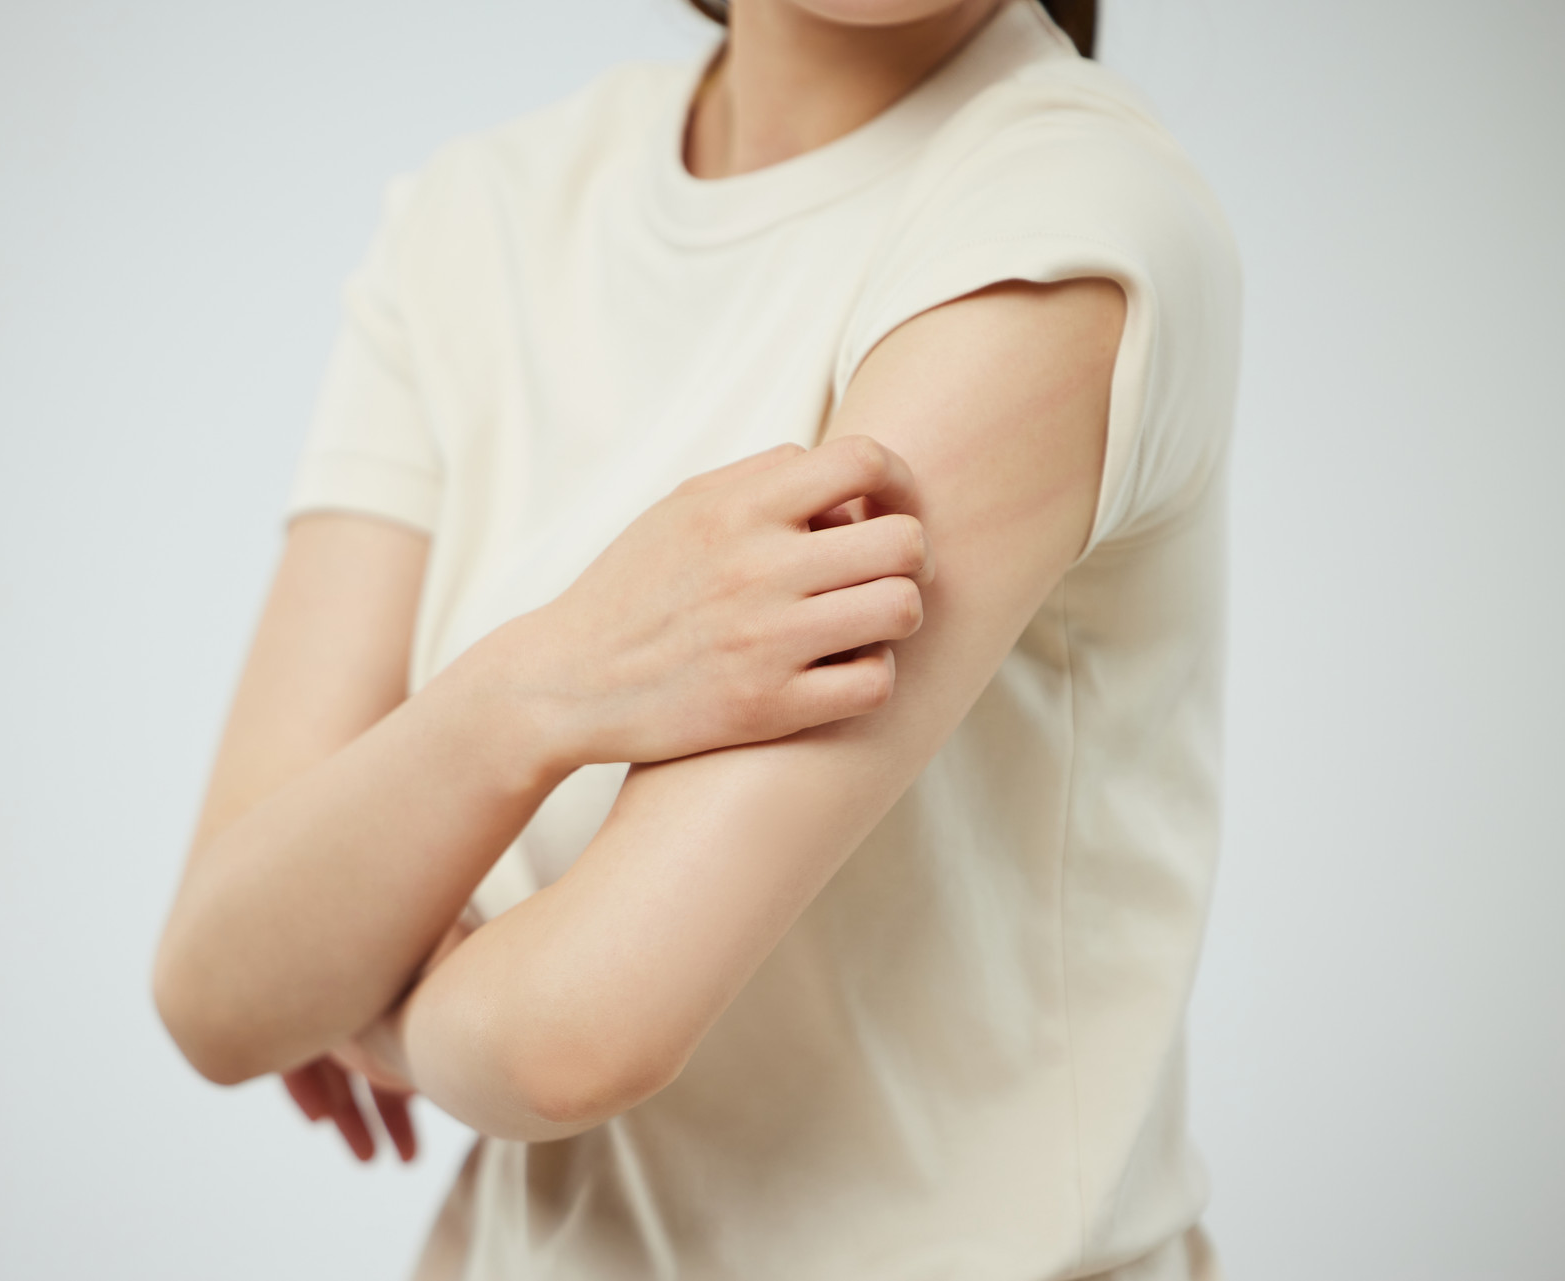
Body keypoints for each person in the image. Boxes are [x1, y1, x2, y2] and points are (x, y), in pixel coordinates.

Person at [153, 0, 1240, 1275]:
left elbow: (574, 1039)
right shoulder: (484, 211)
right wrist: (543, 684)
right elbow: (216, 985)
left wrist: (368, 995)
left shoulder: (1051, 221)